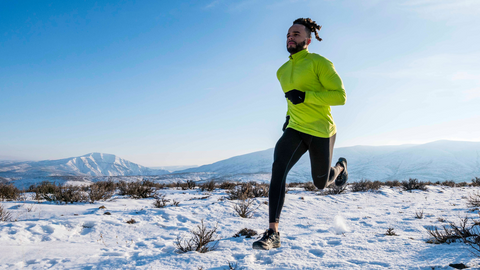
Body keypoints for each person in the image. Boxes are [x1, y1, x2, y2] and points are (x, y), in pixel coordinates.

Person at [252, 18, 348, 250]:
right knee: (278, 170)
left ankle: (342, 167)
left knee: (321, 183)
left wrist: (306, 96)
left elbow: (340, 97)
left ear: (308, 39)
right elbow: (290, 100)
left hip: (321, 130)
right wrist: (288, 119)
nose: (290, 37)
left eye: (295, 33)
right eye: (288, 34)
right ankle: (273, 233)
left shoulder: (319, 63)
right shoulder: (282, 71)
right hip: (295, 128)